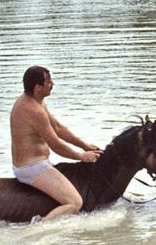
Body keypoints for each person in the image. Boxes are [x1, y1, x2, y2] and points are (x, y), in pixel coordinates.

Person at [9, 65, 101, 220]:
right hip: (31, 168)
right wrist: (82, 156)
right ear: (38, 87)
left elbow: (58, 128)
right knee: (74, 202)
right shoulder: (33, 110)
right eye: (49, 82)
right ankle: (40, 228)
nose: (53, 84)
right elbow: (56, 145)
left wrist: (84, 145)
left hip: (38, 163)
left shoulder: (36, 101)